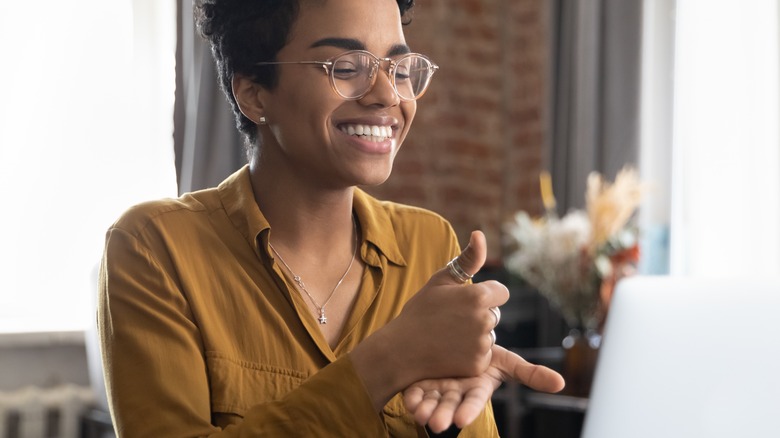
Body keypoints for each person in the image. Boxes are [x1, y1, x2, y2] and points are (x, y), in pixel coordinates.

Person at [97, 0, 565, 436]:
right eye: (346, 68)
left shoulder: (431, 245)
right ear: (254, 94)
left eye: (399, 70)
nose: (387, 95)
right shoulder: (153, 247)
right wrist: (388, 360)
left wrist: (451, 424)